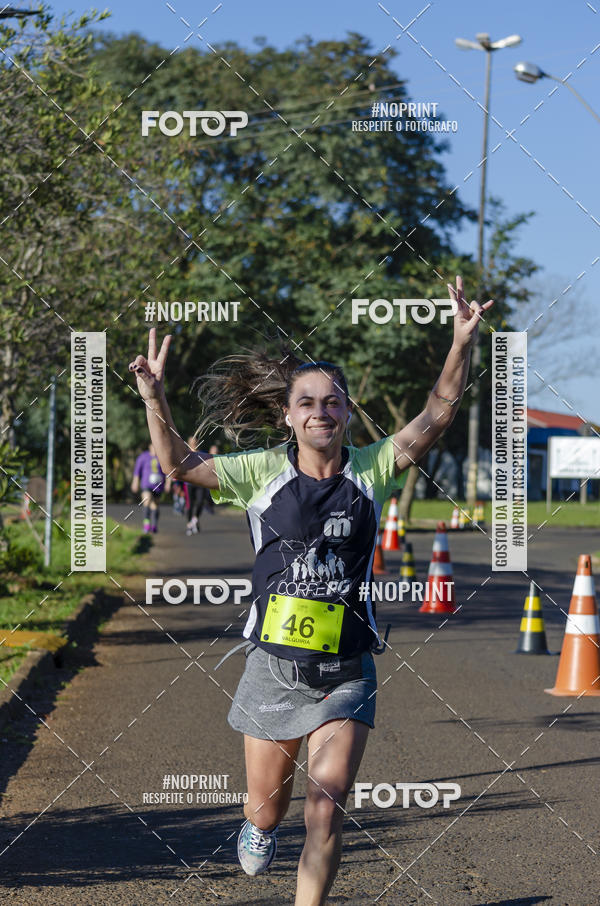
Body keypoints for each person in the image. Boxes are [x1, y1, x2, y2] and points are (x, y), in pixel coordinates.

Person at [128, 276, 493, 905]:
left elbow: (438, 414)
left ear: (346, 412)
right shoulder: (262, 472)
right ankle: (258, 825)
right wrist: (154, 396)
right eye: (307, 402)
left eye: (332, 402)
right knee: (267, 809)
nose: (320, 411)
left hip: (346, 669)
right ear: (289, 414)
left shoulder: (371, 468)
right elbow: (179, 466)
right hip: (273, 667)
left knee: (325, 807)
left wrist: (461, 341)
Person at [131, 443, 165, 533]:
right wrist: (135, 482)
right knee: (147, 500)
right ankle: (146, 524)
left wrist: (168, 483)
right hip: (146, 484)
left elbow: (167, 471)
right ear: (149, 447)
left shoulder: (162, 457)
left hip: (158, 485)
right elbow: (137, 471)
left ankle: (154, 525)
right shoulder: (143, 457)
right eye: (153, 446)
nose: (155, 448)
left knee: (155, 505)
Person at [184, 436, 216, 534]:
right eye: (192, 442)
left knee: (200, 502)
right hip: (189, 483)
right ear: (188, 443)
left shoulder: (201, 454)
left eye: (195, 442)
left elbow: (208, 466)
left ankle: (194, 520)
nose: (194, 444)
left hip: (200, 482)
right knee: (190, 505)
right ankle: (189, 524)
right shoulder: (185, 454)